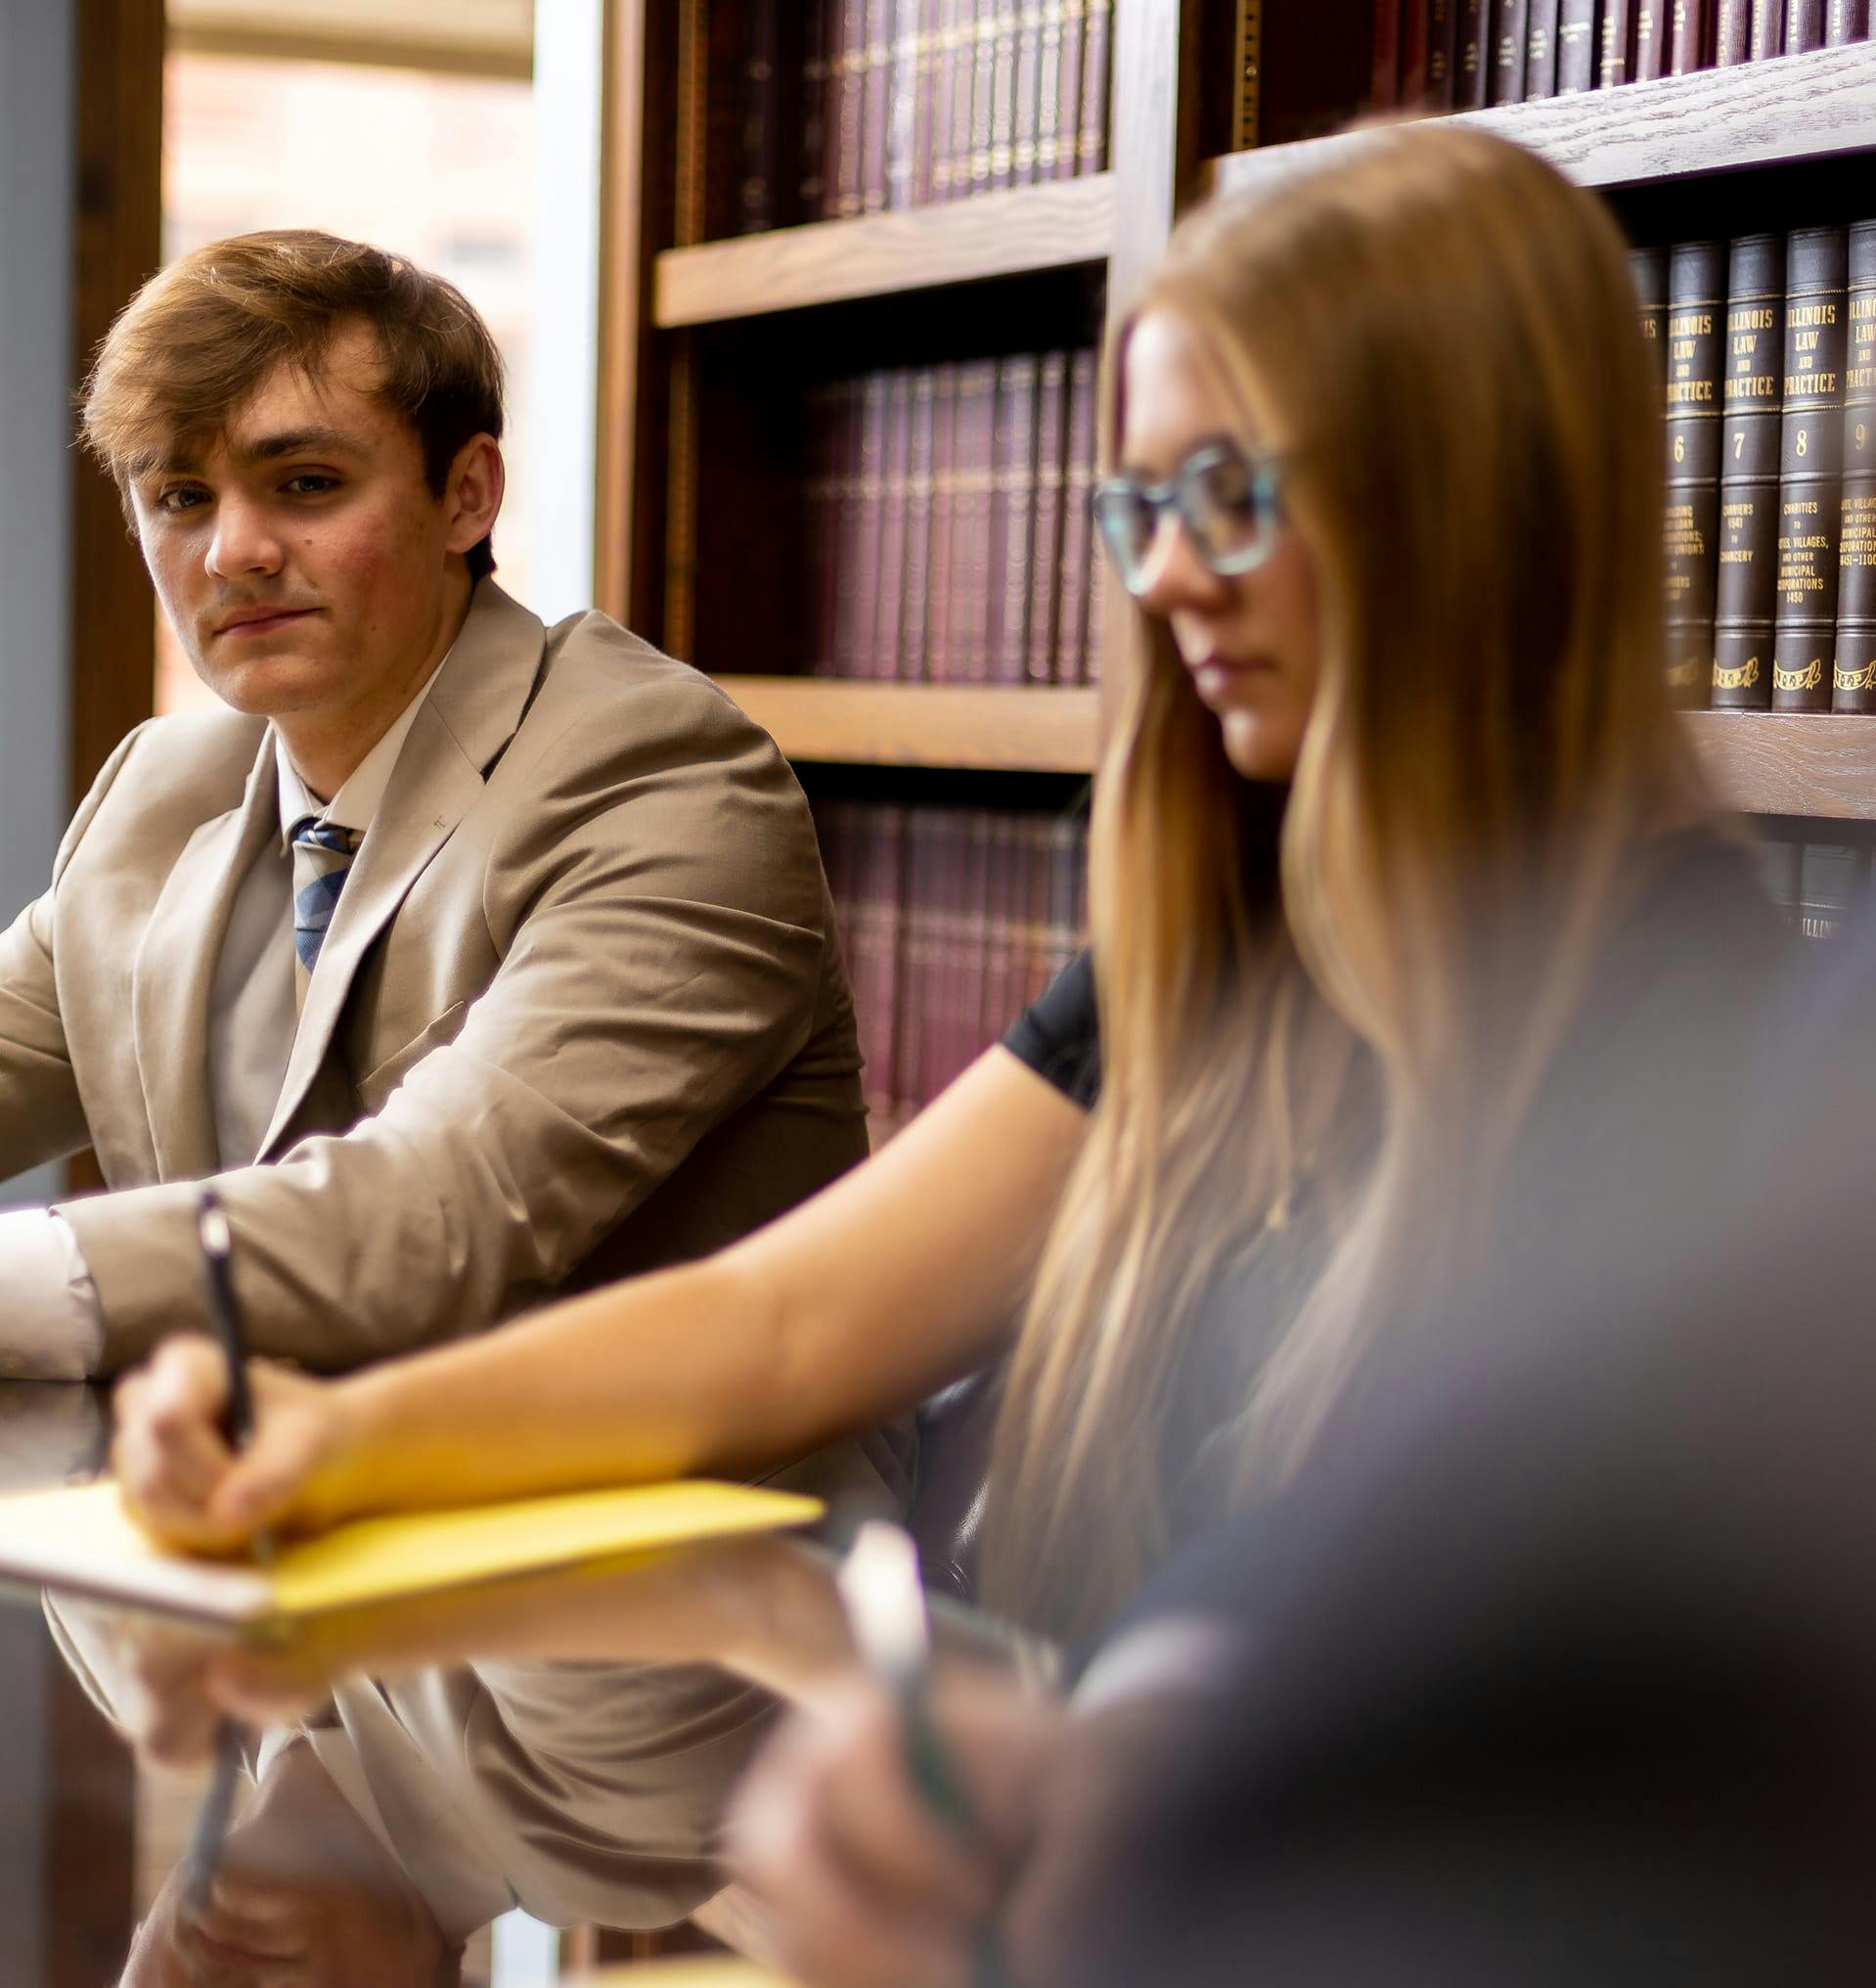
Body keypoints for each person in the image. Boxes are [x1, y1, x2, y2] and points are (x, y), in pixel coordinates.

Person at [116, 125, 1782, 1669]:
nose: (1168, 576)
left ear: (1468, 511)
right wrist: (329, 1442)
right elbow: (783, 1320)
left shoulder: (1703, 1032)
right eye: (1141, 507)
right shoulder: (1219, 951)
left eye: (1232, 494)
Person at [0, 227, 876, 1382]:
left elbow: (437, 1218)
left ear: (467, 494)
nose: (235, 552)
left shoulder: (663, 776)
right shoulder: (162, 792)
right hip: (228, 1525)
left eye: (304, 484)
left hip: (615, 1541)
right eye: (180, 497)